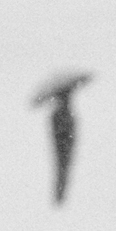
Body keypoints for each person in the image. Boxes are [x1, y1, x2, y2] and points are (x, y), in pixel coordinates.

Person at [32, 71, 92, 206]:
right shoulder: (63, 110)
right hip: (64, 126)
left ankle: (60, 197)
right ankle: (59, 198)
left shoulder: (57, 103)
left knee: (62, 164)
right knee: (63, 163)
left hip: (62, 126)